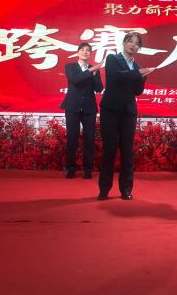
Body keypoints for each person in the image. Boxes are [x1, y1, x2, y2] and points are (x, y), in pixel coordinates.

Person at [98, 32, 155, 201]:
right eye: (130, 41)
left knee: (127, 151)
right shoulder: (113, 59)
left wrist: (143, 77)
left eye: (136, 43)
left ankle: (126, 189)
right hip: (110, 110)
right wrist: (139, 73)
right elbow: (117, 76)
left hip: (128, 111)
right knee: (109, 149)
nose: (133, 45)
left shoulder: (137, 66)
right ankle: (104, 189)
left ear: (139, 48)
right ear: (124, 43)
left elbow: (137, 91)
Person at [60, 42, 103, 179]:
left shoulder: (94, 69)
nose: (85, 52)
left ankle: (88, 170)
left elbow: (99, 88)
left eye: (88, 50)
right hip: (72, 107)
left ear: (90, 54)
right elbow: (75, 80)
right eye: (82, 50)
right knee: (72, 138)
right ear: (78, 52)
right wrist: (90, 72)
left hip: (89, 108)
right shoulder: (70, 67)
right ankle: (71, 169)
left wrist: (95, 74)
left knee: (89, 139)